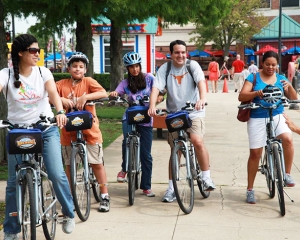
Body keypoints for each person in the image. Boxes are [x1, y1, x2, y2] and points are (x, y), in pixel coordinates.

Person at [0, 34, 75, 239]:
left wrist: (59, 112)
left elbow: (53, 95)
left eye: (38, 50)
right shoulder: (5, 74)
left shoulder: (43, 72)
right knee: (13, 183)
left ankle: (68, 213)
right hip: (18, 131)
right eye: (33, 50)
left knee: (56, 173)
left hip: (45, 128)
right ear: (20, 53)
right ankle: (11, 229)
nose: (37, 54)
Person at [148, 40, 216, 203]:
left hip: (193, 111)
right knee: (175, 151)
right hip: (174, 114)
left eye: (183, 52)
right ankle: (172, 189)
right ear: (171, 54)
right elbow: (156, 88)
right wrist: (151, 106)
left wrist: (202, 99)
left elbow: (201, 82)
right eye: (177, 52)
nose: (181, 55)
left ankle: (206, 177)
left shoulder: (192, 66)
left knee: (197, 141)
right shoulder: (165, 69)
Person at [238, 50, 297, 204]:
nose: (270, 67)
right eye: (267, 64)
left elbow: (294, 98)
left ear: (277, 66)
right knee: (255, 154)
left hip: (277, 114)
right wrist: (256, 93)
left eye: (273, 65)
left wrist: (289, 87)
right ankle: (250, 189)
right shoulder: (254, 77)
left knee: (288, 139)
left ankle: (287, 174)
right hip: (257, 117)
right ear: (262, 64)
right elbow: (241, 96)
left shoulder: (281, 78)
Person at [55, 52, 110, 212]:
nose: (77, 69)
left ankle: (104, 195)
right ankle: (70, 197)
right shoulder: (61, 84)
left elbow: (103, 93)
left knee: (97, 163)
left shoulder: (88, 81)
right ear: (69, 68)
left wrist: (85, 98)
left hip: (89, 129)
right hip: (68, 131)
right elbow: (49, 94)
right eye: (74, 66)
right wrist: (61, 100)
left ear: (85, 69)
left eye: (81, 67)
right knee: (69, 166)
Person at [109, 52, 156, 197]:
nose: (135, 69)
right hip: (130, 116)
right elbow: (117, 91)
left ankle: (146, 186)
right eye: (131, 67)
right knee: (126, 141)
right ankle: (124, 169)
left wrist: (157, 99)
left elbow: (159, 90)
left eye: (137, 66)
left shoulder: (149, 79)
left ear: (140, 66)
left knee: (146, 155)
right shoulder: (125, 83)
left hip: (146, 117)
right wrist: (115, 94)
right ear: (127, 68)